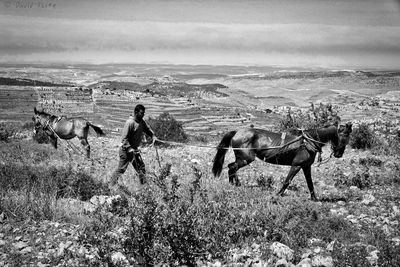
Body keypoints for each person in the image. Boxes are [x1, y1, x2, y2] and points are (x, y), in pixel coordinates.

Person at [110, 104, 155, 185]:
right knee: (121, 169)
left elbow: (147, 129)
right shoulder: (130, 122)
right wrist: (130, 149)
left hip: (134, 150)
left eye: (143, 113)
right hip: (126, 151)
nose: (143, 115)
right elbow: (124, 138)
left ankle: (144, 188)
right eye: (141, 113)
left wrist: (153, 136)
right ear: (136, 112)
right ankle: (110, 185)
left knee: (141, 168)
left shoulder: (141, 122)